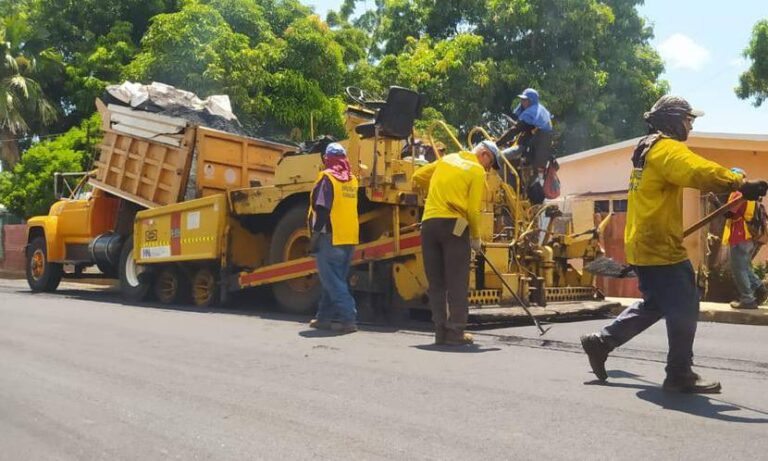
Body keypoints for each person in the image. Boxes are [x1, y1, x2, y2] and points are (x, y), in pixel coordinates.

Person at [580, 95, 768, 393]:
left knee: (657, 303)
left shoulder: (647, 150)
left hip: (645, 242)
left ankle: (602, 342)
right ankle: (679, 373)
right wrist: (738, 183)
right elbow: (697, 170)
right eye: (687, 119)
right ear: (671, 120)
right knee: (685, 302)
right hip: (659, 246)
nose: (690, 126)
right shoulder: (667, 149)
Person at [412, 140, 500, 345]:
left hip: (429, 224)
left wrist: (438, 189)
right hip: (454, 226)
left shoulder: (447, 160)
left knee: (436, 283)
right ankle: (456, 332)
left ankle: (440, 331)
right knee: (457, 281)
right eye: (490, 164)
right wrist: (476, 237)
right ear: (485, 155)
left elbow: (417, 176)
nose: (488, 170)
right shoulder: (476, 170)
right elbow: (472, 210)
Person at [307, 143, 360, 334]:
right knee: (334, 279)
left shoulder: (327, 178)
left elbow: (322, 208)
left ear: (326, 159)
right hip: (349, 238)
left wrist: (314, 236)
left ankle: (348, 318)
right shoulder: (353, 180)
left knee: (333, 282)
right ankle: (323, 317)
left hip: (330, 237)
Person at [496, 88, 554, 203]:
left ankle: (512, 188)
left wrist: (496, 144)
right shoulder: (541, 112)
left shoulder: (530, 112)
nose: (522, 102)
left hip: (526, 148)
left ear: (531, 101)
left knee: (498, 157)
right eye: (522, 100)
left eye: (525, 100)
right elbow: (526, 128)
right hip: (537, 153)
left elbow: (515, 130)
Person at [722, 167, 768, 309]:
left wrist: (716, 203)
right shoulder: (752, 194)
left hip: (740, 235)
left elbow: (730, 213)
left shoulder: (738, 192)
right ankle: (759, 287)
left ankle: (747, 299)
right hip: (751, 236)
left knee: (738, 269)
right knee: (745, 266)